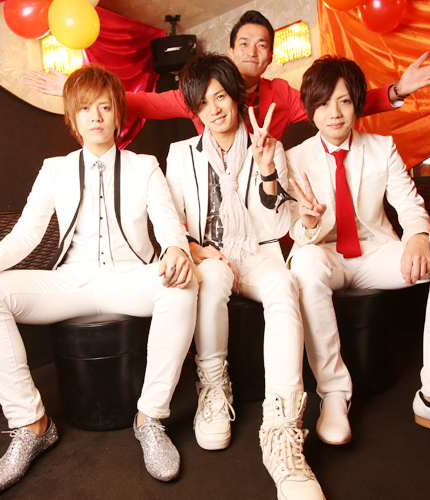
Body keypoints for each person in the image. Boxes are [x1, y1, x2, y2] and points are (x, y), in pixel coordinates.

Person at [0, 64, 198, 496]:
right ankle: (31, 425)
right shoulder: (54, 170)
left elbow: (166, 221)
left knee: (183, 284)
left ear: (119, 115)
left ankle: (150, 418)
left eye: (105, 107)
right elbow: (26, 233)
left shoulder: (144, 166)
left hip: (130, 277)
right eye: (85, 108)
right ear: (71, 117)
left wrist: (176, 248)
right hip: (71, 281)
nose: (96, 116)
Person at [285, 56, 430, 445]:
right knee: (305, 263)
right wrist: (310, 223)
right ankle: (333, 394)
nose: (335, 113)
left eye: (344, 101)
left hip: (375, 254)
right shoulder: (293, 158)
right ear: (310, 108)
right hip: (325, 255)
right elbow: (296, 230)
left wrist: (418, 235)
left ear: (358, 104)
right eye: (324, 103)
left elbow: (408, 203)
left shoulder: (382, 147)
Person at [166, 53, 323, 499]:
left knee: (284, 286)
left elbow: (280, 222)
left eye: (220, 96)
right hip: (209, 255)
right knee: (213, 278)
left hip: (256, 253)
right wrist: (196, 250)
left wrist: (268, 169)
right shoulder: (181, 154)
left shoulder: (267, 145)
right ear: (195, 110)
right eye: (203, 103)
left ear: (236, 96)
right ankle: (214, 390)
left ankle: (281, 430)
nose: (214, 109)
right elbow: (170, 219)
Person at [26, 10, 430, 141]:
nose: (253, 51)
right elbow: (139, 102)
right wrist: (78, 90)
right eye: (245, 43)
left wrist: (398, 90)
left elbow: (336, 106)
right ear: (232, 51)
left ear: (270, 58)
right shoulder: (199, 91)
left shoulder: (283, 94)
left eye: (262, 45)